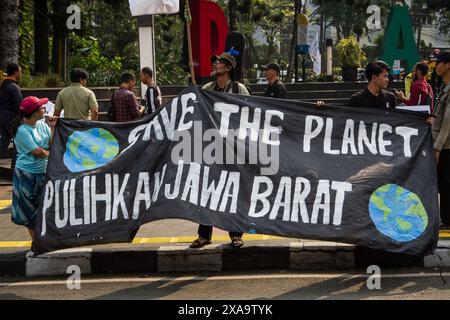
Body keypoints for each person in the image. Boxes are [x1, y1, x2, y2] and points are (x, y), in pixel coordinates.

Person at [190, 52, 249, 249]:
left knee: (233, 191)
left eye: (220, 63)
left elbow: (250, 112)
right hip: (211, 148)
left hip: (233, 148)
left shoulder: (239, 89)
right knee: (207, 191)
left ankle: (235, 234)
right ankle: (204, 235)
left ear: (229, 68)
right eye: (215, 62)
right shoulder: (207, 88)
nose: (216, 65)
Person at [10, 96, 57, 252]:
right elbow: (37, 152)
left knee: (44, 208)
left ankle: (43, 241)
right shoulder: (22, 130)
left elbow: (51, 144)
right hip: (26, 175)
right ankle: (37, 243)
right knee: (29, 211)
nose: (44, 109)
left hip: (43, 172)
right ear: (34, 112)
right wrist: (53, 154)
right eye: (41, 108)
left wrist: (52, 127)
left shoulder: (42, 125)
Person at [431, 50, 450, 227]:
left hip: (446, 146)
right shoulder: (444, 86)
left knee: (446, 184)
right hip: (442, 145)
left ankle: (448, 219)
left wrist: (437, 147)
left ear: (448, 65)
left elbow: (448, 121)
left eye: (439, 63)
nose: (436, 66)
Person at [0, 63, 23, 157]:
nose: (21, 74)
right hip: (11, 119)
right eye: (20, 71)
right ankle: (14, 163)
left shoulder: (3, 85)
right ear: (15, 72)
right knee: (18, 140)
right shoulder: (14, 87)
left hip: (2, 116)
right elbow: (19, 106)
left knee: (4, 140)